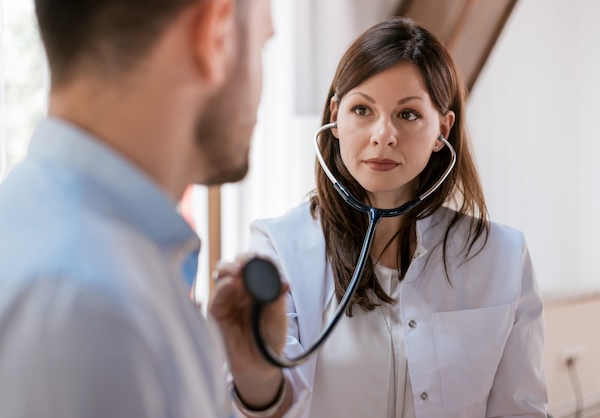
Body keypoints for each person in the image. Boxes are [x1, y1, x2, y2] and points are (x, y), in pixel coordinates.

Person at [210, 16, 548, 417]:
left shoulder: (503, 257)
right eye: (362, 109)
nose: (382, 135)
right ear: (336, 118)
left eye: (407, 115)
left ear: (443, 128)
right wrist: (256, 376)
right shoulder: (280, 247)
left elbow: (521, 409)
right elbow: (267, 403)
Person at [0, 0, 276, 416]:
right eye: (262, 46)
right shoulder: (84, 310)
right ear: (215, 33)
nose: (263, 90)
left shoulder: (77, 254)